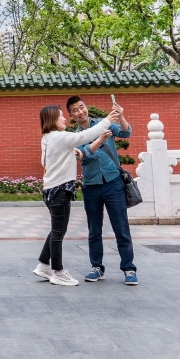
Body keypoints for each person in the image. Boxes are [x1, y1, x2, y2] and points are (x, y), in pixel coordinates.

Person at [34, 104, 120, 286]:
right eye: (60, 116)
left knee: (57, 230)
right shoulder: (60, 137)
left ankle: (43, 265)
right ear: (53, 119)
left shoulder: (47, 138)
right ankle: (58, 272)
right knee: (58, 233)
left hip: (51, 190)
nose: (64, 118)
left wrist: (73, 152)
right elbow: (85, 135)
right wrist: (107, 121)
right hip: (60, 190)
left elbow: (45, 161)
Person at [66, 95, 138, 285]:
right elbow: (85, 155)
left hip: (113, 182)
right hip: (91, 185)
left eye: (81, 107)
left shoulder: (103, 123)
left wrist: (120, 116)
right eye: (75, 110)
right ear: (71, 115)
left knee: (121, 227)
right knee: (94, 230)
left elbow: (125, 133)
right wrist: (99, 139)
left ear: (86, 107)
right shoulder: (74, 136)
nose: (80, 112)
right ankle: (97, 267)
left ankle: (129, 268)